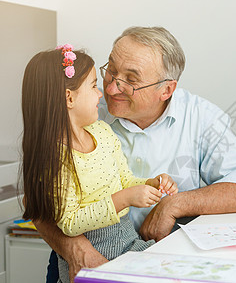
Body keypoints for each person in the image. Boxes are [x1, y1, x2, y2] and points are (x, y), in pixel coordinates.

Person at [36, 26, 236, 283]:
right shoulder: (80, 110)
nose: (110, 89)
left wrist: (176, 203)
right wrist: (75, 249)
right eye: (110, 71)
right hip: (82, 257)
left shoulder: (201, 118)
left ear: (166, 90)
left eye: (131, 80)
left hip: (158, 259)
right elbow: (35, 201)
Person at [21, 44, 178, 283]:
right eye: (94, 86)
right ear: (69, 97)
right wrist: (126, 198)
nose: (101, 94)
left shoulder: (102, 132)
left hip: (127, 240)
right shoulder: (57, 159)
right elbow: (70, 223)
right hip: (94, 252)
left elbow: (124, 179)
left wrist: (150, 183)